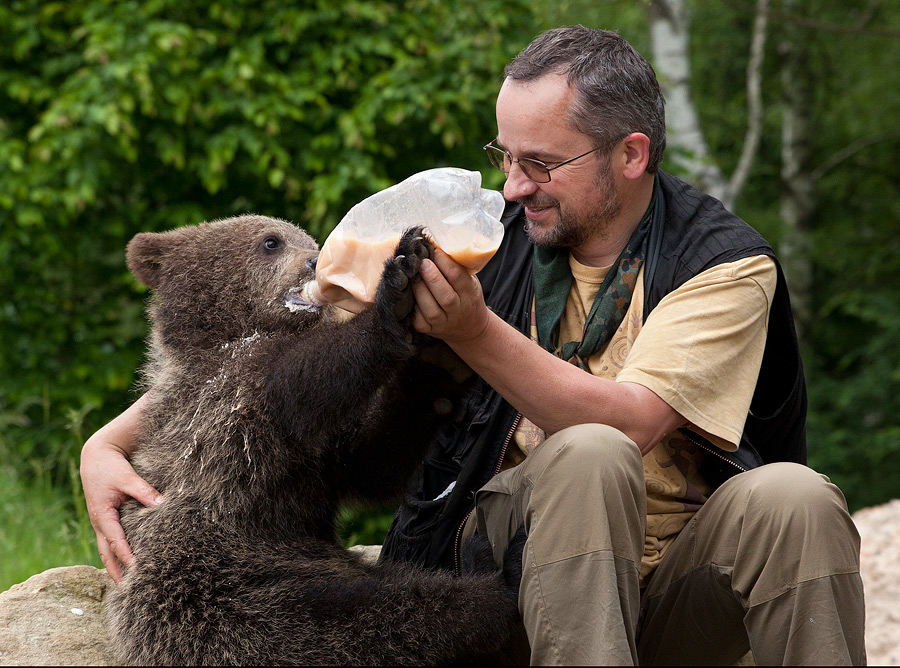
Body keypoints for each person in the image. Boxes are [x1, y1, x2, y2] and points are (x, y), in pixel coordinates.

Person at [82, 25, 865, 666]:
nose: (513, 186)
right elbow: (262, 365)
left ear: (631, 154)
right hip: (514, 585)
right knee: (586, 458)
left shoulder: (723, 266)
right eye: (505, 156)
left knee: (793, 497)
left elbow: (633, 421)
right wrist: (107, 443)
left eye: (541, 163)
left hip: (672, 588)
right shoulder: (488, 236)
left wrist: (471, 331)